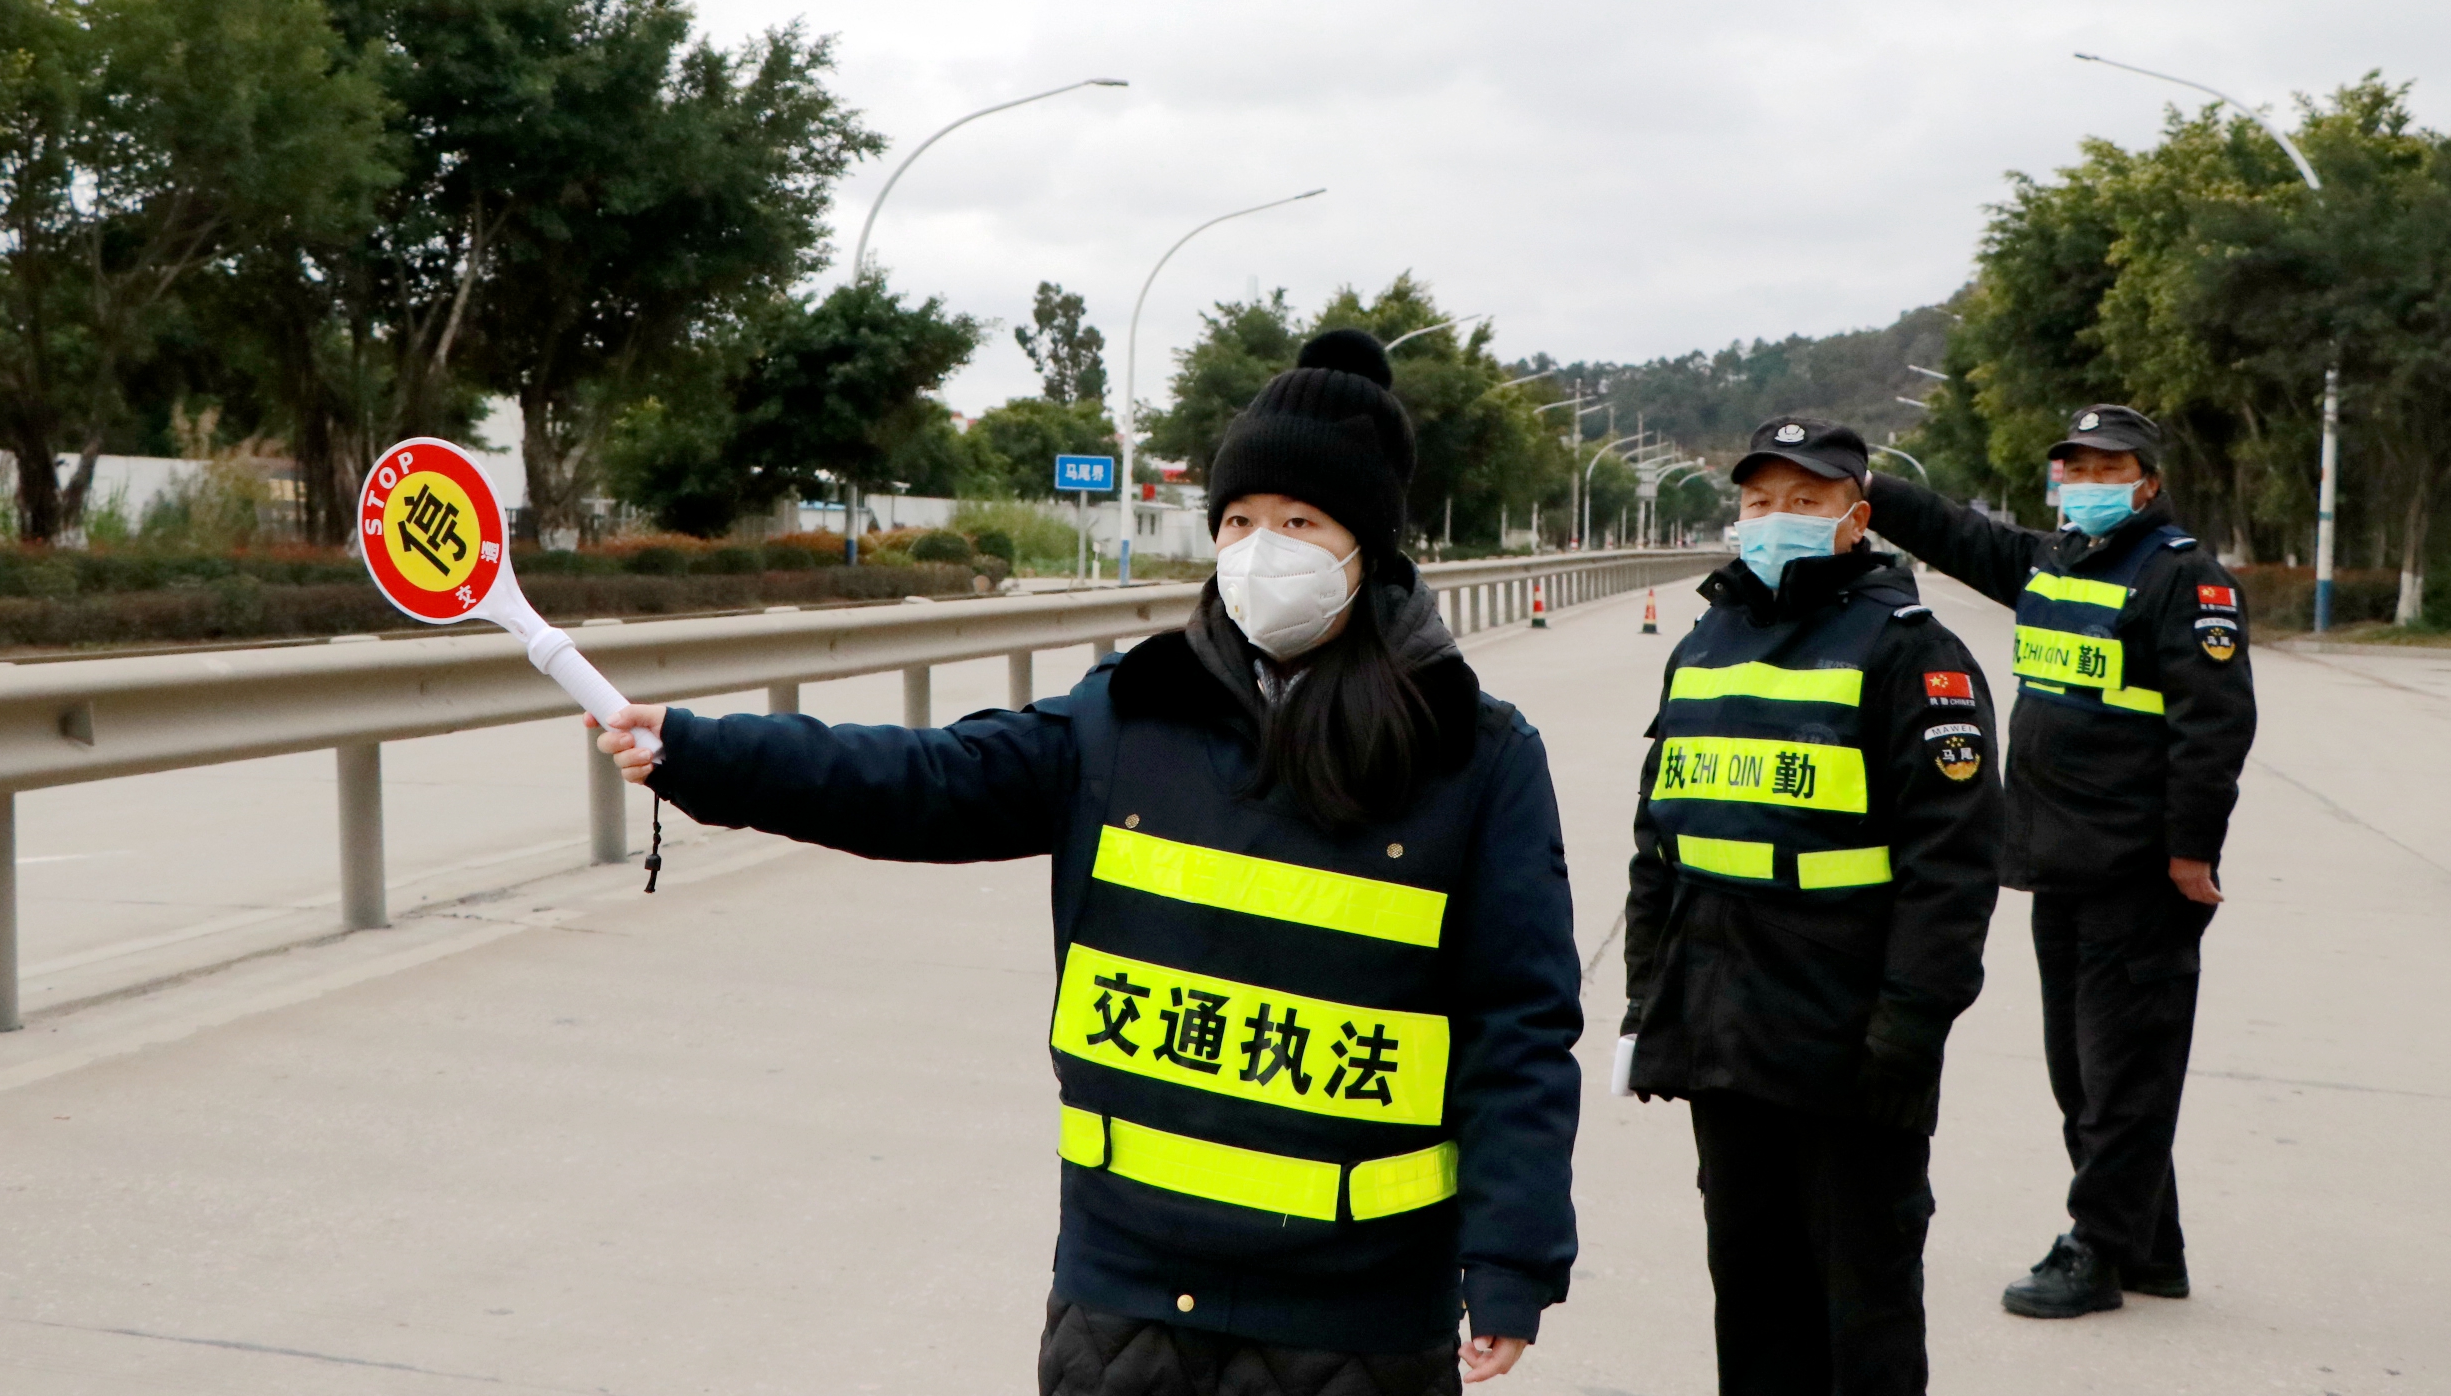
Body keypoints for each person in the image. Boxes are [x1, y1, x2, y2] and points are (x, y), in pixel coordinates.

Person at [593, 330, 1581, 1392]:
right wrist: (705, 753)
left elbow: (1517, 1022)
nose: (1262, 549)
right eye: (1239, 520)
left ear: (1366, 545)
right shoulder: (1128, 713)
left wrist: (1513, 1255)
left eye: (1299, 521)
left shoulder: (1472, 753)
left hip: (1355, 1311)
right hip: (1124, 1292)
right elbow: (927, 781)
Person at [1623, 416, 2003, 1395]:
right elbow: (1658, 846)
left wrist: (1908, 1027)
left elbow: (1950, 869)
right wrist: (1646, 1000)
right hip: (1722, 1032)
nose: (1775, 519)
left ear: (1855, 518)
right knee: (1749, 1300)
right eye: (1758, 501)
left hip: (1850, 1049)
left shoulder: (1915, 655)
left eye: (1804, 500)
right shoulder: (1702, 645)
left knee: (1860, 1308)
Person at [1861, 403, 2255, 1319]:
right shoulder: (2055, 564)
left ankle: (2097, 1248)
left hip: (2139, 869)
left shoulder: (2183, 580)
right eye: (2072, 470)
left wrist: (2193, 850)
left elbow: (2215, 724)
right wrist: (1868, 490)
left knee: (2123, 1075)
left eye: (2106, 470)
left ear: (2147, 482)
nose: (2084, 485)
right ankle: (2151, 1245)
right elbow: (1956, 534)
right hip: (2054, 860)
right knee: (2081, 1073)